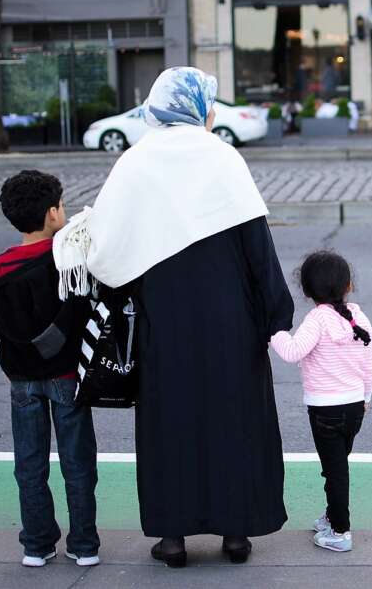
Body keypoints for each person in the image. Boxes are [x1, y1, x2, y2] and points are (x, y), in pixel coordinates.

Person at [54, 67, 294, 568]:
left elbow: (108, 252)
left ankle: (172, 538)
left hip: (162, 322)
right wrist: (276, 314)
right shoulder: (223, 158)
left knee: (170, 426)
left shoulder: (135, 162)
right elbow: (258, 245)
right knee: (236, 422)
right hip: (233, 321)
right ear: (199, 108)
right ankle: (235, 533)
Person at [0, 170, 99, 569]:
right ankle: (84, 545)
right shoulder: (67, 260)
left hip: (21, 380)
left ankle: (37, 545)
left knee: (29, 465)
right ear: (52, 214)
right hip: (66, 376)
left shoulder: (0, 267)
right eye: (61, 205)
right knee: (78, 464)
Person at [269, 251, 372, 553]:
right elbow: (370, 364)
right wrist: (366, 397)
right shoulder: (358, 316)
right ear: (348, 286)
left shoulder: (317, 319)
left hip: (325, 410)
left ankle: (340, 531)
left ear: (306, 291)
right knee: (337, 467)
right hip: (356, 407)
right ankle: (332, 516)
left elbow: (292, 352)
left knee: (335, 471)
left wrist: (272, 331)